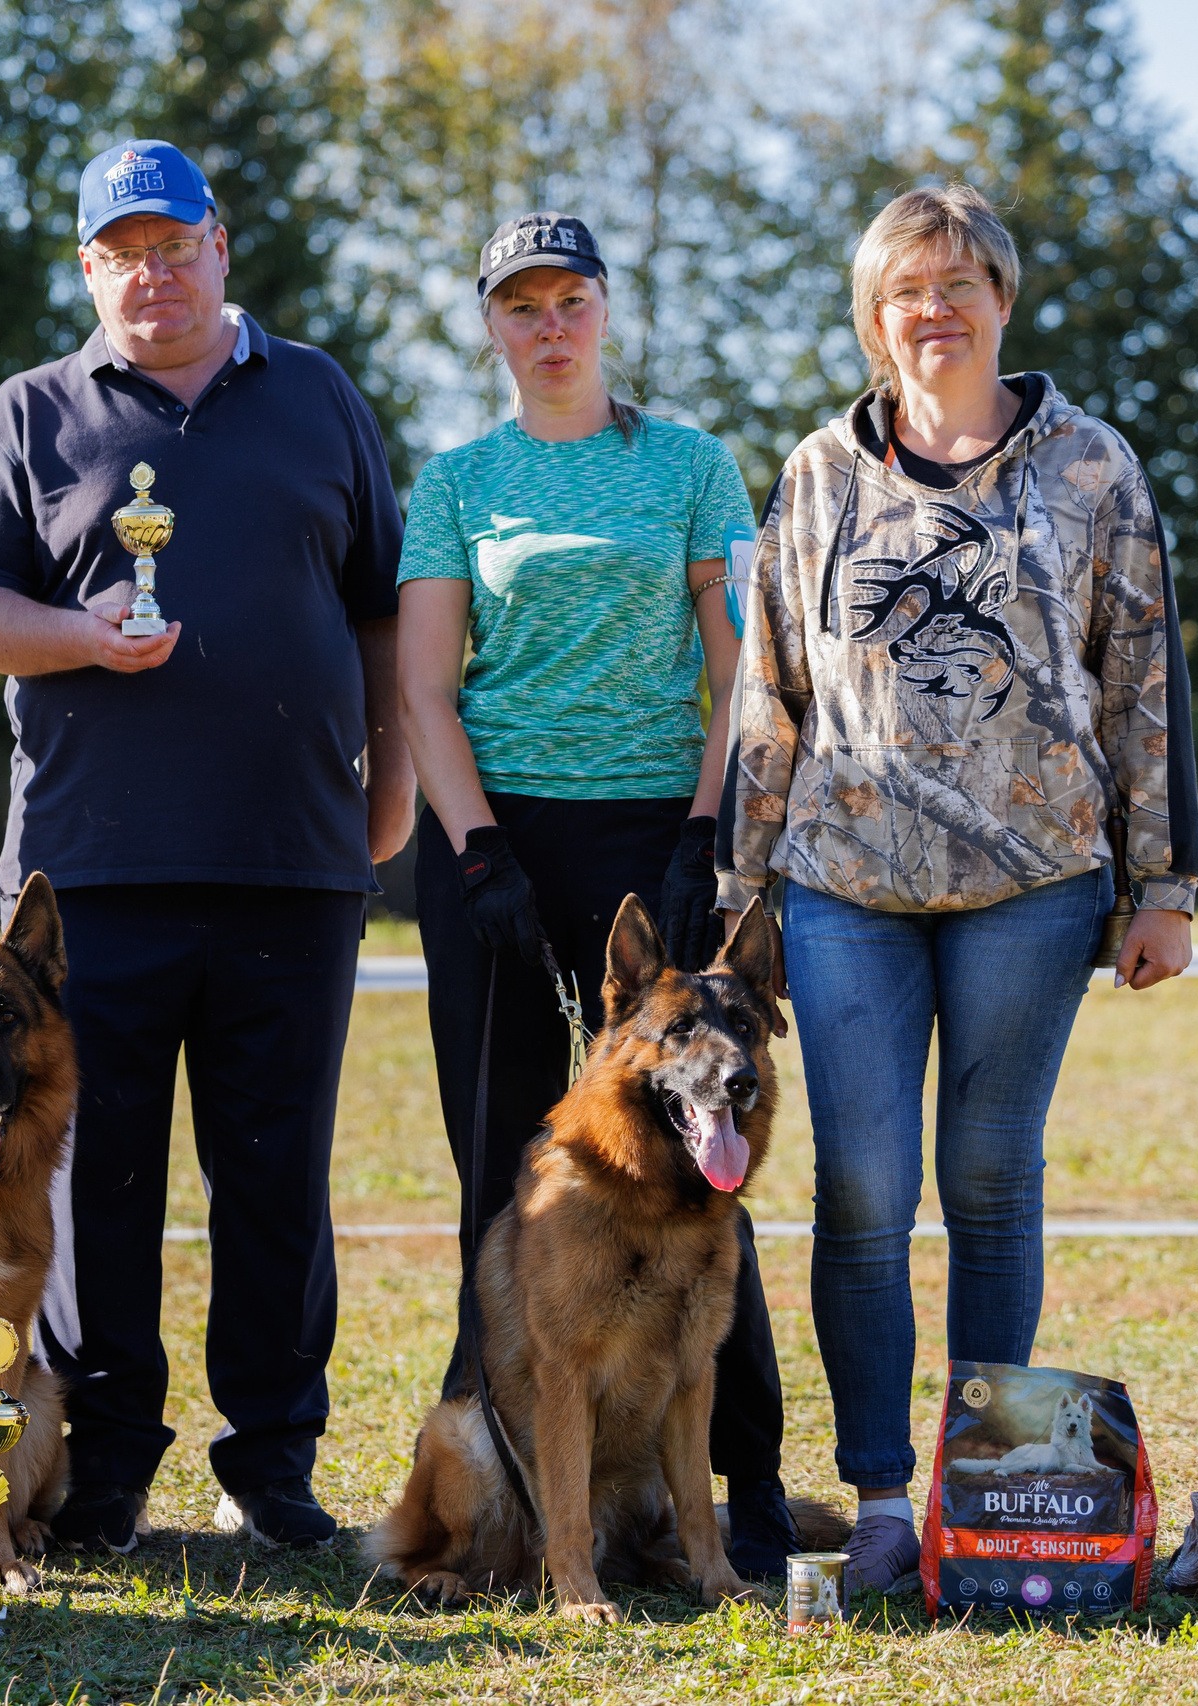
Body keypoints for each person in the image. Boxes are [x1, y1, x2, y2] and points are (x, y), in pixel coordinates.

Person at [0, 140, 411, 1551]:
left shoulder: (316, 395)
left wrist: (381, 804)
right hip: (88, 885)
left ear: (220, 245)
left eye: (174, 242)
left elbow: (382, 606)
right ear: (89, 269)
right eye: (120, 251)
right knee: (96, 1179)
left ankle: (272, 1458)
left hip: (293, 862)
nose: (153, 271)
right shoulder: (32, 414)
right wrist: (81, 636)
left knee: (279, 1177)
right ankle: (111, 1455)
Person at [718, 184, 1198, 1590]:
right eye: (903, 289)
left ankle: (987, 1498)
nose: (931, 309)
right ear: (873, 315)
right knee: (862, 1190)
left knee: (990, 1179)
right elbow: (772, 690)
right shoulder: (818, 473)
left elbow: (1145, 680)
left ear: (1002, 298)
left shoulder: (1094, 465)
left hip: (1038, 879)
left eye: (957, 282)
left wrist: (1162, 878)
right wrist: (745, 901)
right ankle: (880, 1498)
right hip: (843, 882)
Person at [395, 211, 801, 1576]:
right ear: (493, 327)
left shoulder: (690, 465)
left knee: (705, 1166)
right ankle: (508, 1489)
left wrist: (703, 830)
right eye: (523, 305)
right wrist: (473, 849)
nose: (550, 324)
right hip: (494, 847)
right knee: (506, 1178)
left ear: (606, 312)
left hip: (654, 834)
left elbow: (736, 666)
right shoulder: (456, 481)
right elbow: (425, 687)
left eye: (571, 298)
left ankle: (742, 1488)